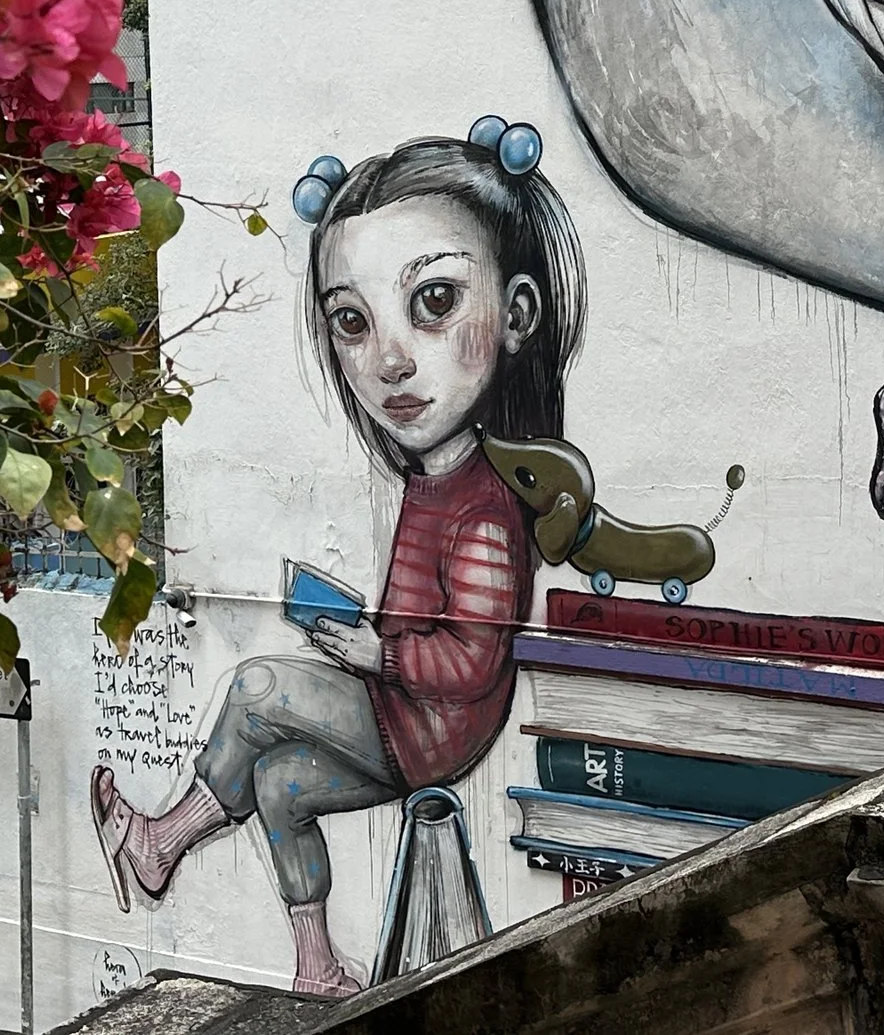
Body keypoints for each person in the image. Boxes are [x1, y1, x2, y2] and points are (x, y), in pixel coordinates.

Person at [88, 120, 582, 998]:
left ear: (516, 316)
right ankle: (318, 965)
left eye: (434, 303)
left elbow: (473, 659)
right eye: (352, 321)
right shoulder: (436, 476)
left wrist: (376, 652)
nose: (389, 359)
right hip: (407, 702)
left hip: (433, 723)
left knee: (255, 689)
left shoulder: (485, 506)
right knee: (279, 783)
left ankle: (162, 841)